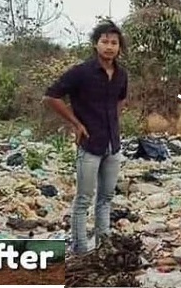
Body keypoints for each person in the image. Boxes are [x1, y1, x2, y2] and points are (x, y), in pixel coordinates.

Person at [43, 20, 128, 256]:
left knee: (106, 198)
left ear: (119, 47)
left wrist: (113, 120)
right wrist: (76, 123)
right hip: (89, 146)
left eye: (114, 43)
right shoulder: (81, 72)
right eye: (105, 42)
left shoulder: (121, 75)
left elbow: (121, 99)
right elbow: (51, 96)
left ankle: (103, 246)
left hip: (113, 146)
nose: (109, 47)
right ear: (95, 44)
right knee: (83, 200)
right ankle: (80, 250)